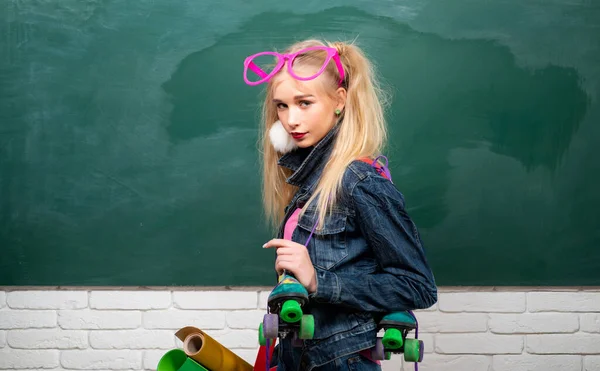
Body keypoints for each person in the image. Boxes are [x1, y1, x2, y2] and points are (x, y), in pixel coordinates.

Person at [243, 39, 438, 371]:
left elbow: (417, 286)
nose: (290, 120)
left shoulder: (360, 182)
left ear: (339, 100)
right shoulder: (311, 180)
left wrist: (318, 281)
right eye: (282, 106)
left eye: (304, 103)